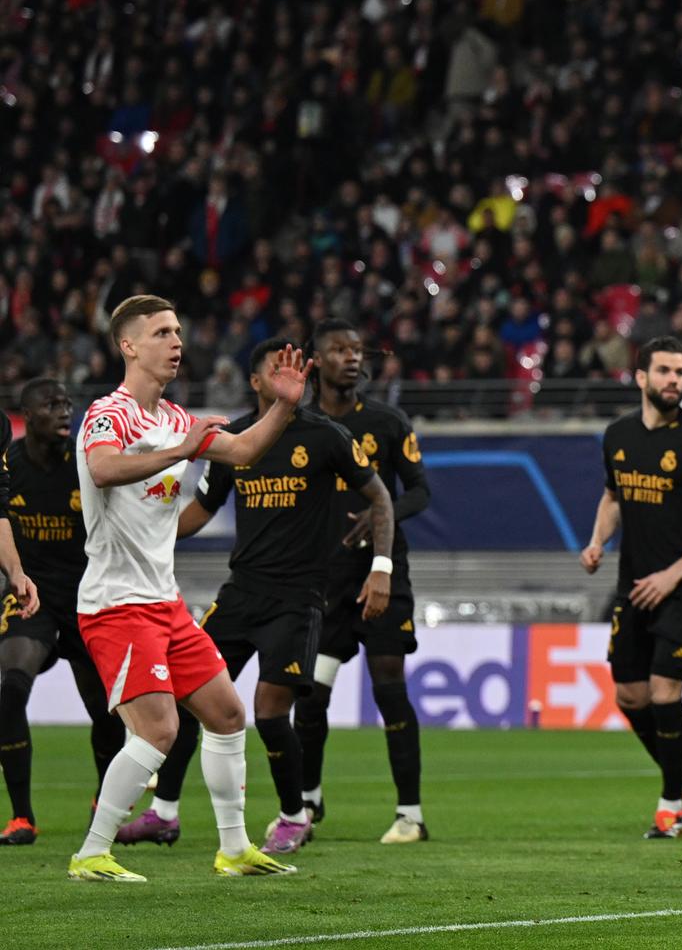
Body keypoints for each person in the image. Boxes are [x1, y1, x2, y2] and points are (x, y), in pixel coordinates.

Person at [68, 295, 309, 882]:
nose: (176, 342)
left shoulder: (176, 417)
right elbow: (102, 468)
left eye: (178, 331)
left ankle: (233, 848)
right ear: (128, 346)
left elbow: (245, 451)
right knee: (159, 731)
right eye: (161, 332)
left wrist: (281, 405)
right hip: (116, 604)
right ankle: (91, 853)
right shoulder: (111, 412)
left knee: (227, 714)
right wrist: (180, 452)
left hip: (164, 603)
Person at [125, 337, 394, 857]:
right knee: (186, 699)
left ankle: (295, 816)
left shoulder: (325, 436)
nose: (291, 375)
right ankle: (164, 814)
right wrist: (140, 536)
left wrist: (380, 568)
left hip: (298, 598)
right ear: (255, 382)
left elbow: (379, 495)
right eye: (278, 369)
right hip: (241, 593)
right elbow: (201, 511)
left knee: (270, 712)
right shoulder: (233, 440)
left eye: (297, 368)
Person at [579, 336, 682, 839]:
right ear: (641, 377)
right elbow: (611, 497)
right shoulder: (617, 436)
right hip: (633, 587)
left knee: (666, 693)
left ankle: (670, 805)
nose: (676, 380)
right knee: (630, 696)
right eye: (666, 371)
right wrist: (596, 541)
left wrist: (674, 575)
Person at [297, 318, 433, 844]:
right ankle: (307, 803)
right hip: (324, 582)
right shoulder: (299, 425)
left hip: (382, 575)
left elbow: (420, 491)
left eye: (357, 350)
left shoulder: (388, 421)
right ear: (315, 360)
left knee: (390, 692)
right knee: (310, 697)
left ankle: (411, 815)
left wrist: (381, 513)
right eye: (338, 349)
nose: (352, 358)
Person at [2, 379, 125, 846]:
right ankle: (21, 817)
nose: (64, 411)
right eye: (52, 405)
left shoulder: (87, 461)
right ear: (27, 415)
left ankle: (102, 801)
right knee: (12, 687)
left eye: (67, 404)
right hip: (30, 594)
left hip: (87, 596)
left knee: (105, 711)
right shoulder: (8, 464)